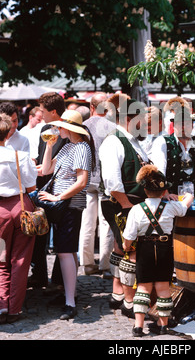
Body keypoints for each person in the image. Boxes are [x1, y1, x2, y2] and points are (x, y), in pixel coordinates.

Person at [122, 164, 193, 337]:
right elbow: (184, 208)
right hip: (164, 249)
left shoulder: (136, 210)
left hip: (144, 249)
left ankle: (138, 327)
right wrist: (189, 196)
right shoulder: (170, 206)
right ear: (163, 192)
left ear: (145, 190)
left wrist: (127, 248)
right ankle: (163, 325)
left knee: (143, 289)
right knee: (163, 288)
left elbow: (128, 237)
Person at [38, 110, 95, 320]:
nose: (56, 129)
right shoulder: (69, 147)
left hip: (69, 206)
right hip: (65, 205)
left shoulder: (80, 147)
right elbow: (45, 170)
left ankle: (70, 301)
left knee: (64, 252)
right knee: (67, 251)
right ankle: (70, 295)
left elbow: (81, 182)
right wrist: (50, 145)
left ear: (68, 128)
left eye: (59, 126)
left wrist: (57, 198)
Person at [99, 98, 149, 319]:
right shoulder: (114, 141)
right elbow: (111, 180)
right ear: (129, 119)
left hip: (128, 202)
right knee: (131, 250)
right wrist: (128, 206)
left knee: (121, 247)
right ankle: (130, 303)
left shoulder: (132, 140)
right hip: (120, 203)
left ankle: (117, 293)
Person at [0, 113, 37, 324]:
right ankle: (14, 309)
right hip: (21, 207)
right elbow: (31, 186)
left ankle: (2, 304)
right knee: (20, 260)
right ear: (8, 133)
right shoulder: (20, 156)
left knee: (0, 260)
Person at [28, 92, 67, 290]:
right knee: (39, 235)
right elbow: (43, 161)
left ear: (53, 111)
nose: (40, 114)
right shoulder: (45, 128)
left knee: (62, 240)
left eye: (43, 111)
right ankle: (39, 275)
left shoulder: (69, 131)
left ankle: (60, 283)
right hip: (43, 190)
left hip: (62, 192)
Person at [79, 93, 115, 276]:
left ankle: (86, 264)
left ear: (91, 107)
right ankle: (105, 264)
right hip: (105, 179)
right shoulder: (112, 127)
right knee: (106, 223)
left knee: (87, 223)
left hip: (85, 179)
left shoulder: (82, 127)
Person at [151, 104, 195, 198]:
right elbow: (159, 171)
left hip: (194, 200)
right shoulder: (162, 142)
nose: (184, 127)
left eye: (187, 123)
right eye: (180, 123)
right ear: (174, 125)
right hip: (171, 200)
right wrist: (165, 193)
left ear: (192, 125)